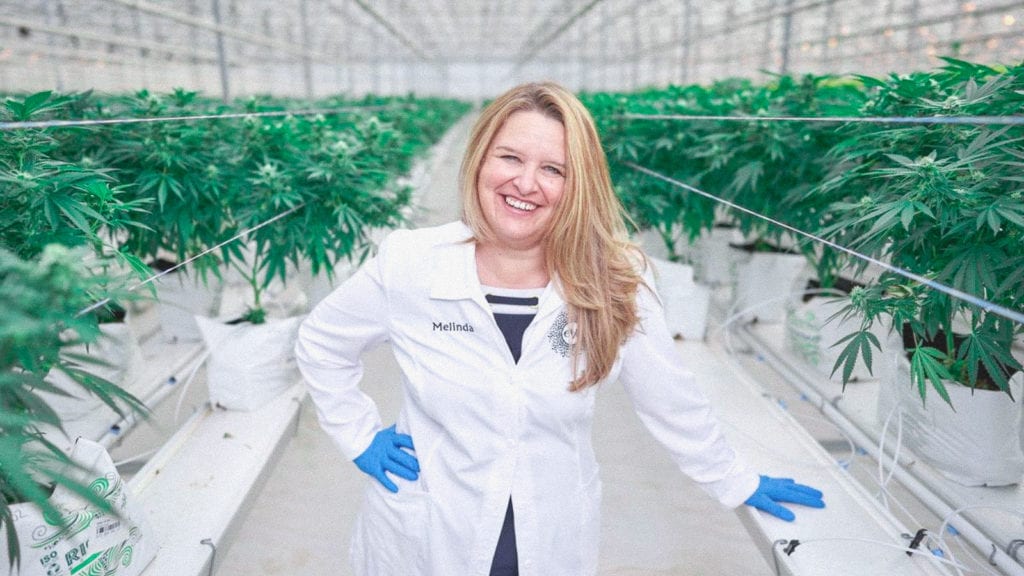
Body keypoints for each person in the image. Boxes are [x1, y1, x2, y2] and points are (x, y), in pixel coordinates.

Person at [294, 81, 825, 575]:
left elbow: (669, 397)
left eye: (555, 169)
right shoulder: (411, 262)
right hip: (426, 533)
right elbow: (321, 344)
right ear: (479, 158)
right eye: (510, 157)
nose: (526, 183)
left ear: (579, 184)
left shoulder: (615, 278)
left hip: (549, 537)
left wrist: (734, 478)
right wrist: (359, 436)